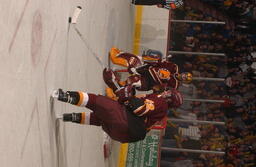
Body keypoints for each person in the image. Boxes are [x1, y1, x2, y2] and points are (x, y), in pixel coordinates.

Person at [52, 88, 183, 143]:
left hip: (125, 123)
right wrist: (123, 96)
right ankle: (67, 117)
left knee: (95, 101)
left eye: (168, 92)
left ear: (169, 97)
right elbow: (137, 115)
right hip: (121, 135)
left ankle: (64, 96)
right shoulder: (161, 114)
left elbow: (139, 109)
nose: (165, 91)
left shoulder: (160, 102)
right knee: (101, 118)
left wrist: (127, 96)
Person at [104, 47, 192, 97]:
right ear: (184, 73)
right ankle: (117, 56)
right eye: (185, 75)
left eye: (185, 78)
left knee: (133, 81)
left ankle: (115, 91)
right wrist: (150, 61)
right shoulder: (174, 67)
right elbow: (160, 63)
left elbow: (162, 91)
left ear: (184, 81)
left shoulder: (174, 85)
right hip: (146, 69)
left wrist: (158, 88)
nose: (184, 76)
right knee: (134, 60)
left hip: (147, 82)